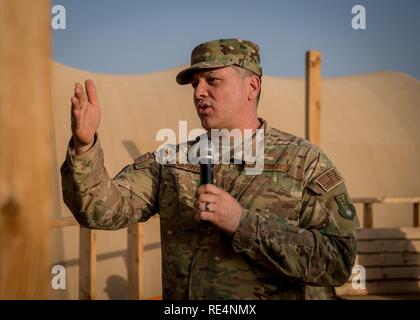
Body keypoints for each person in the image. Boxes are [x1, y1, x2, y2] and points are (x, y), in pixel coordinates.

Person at [61, 38, 359, 300]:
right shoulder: (172, 162)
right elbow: (100, 211)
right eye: (195, 84)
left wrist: (243, 224)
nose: (199, 92)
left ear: (251, 87)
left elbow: (337, 262)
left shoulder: (304, 163)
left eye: (212, 81)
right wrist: (84, 146)